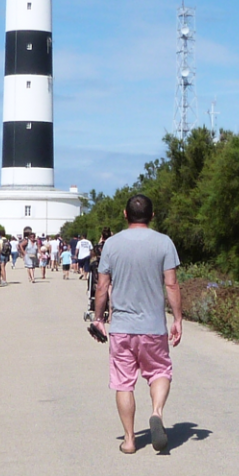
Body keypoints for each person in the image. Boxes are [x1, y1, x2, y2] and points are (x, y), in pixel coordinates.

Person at [92, 194, 183, 455]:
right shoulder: (164, 243)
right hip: (153, 326)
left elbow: (102, 286)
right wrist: (177, 319)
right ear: (152, 215)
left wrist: (99, 318)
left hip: (122, 326)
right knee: (160, 372)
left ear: (125, 214)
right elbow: (172, 284)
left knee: (123, 383)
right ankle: (156, 412)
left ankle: (130, 440)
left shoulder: (111, 244)